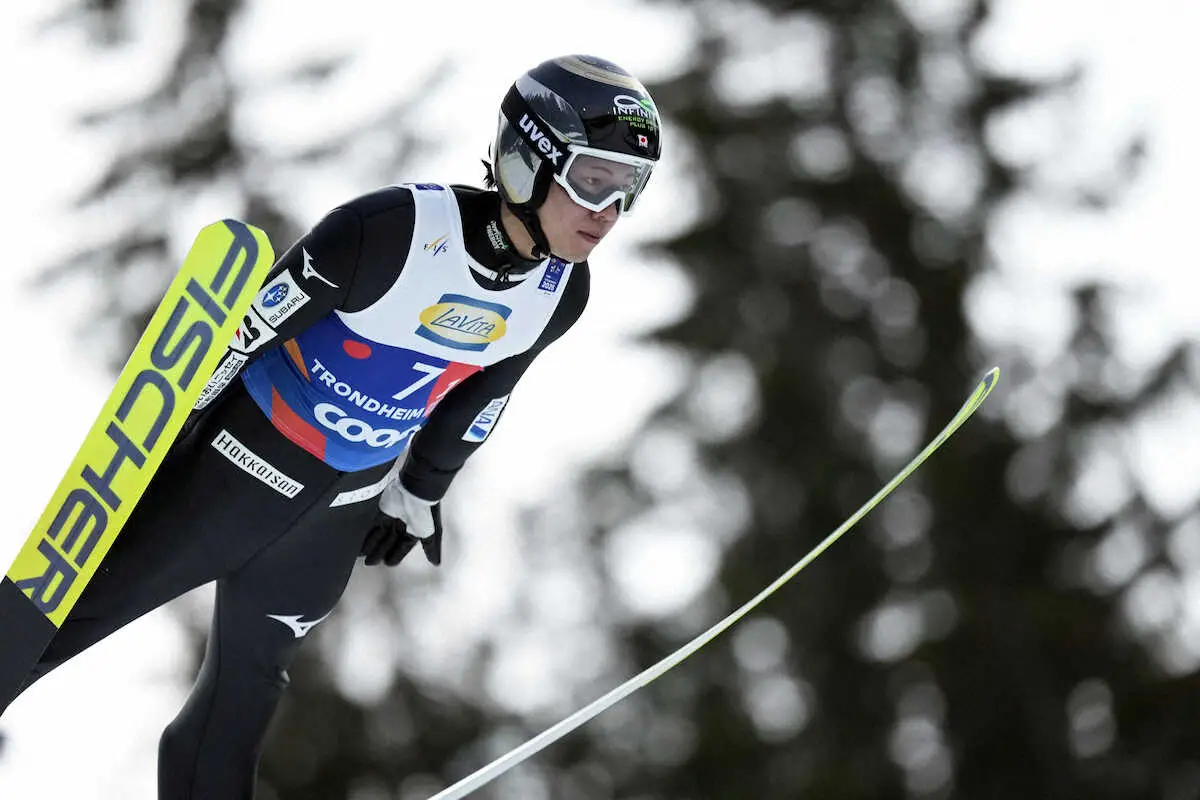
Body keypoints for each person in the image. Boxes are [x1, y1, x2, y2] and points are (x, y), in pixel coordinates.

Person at [0, 54, 662, 798]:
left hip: (335, 515)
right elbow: (247, 334)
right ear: (528, 160)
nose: (608, 211)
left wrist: (421, 492)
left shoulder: (561, 293)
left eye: (629, 188)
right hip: (233, 474)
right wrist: (169, 431)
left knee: (239, 706)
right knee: (50, 629)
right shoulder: (386, 233)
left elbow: (479, 400)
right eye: (593, 179)